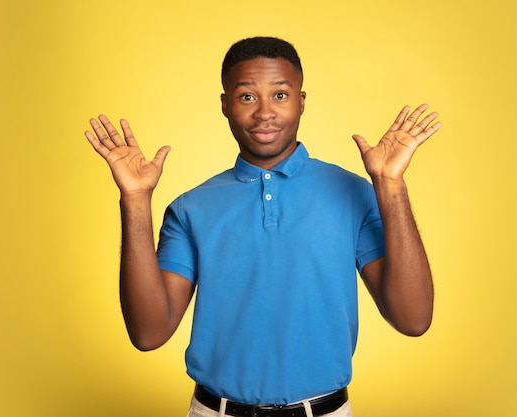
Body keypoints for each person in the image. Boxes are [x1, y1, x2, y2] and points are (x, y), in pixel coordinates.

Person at [85, 36, 441, 417]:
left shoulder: (355, 194)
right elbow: (148, 333)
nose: (264, 113)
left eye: (281, 95)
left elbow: (414, 319)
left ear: (302, 101)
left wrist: (390, 186)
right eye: (247, 97)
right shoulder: (191, 208)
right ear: (225, 105)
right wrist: (135, 201)